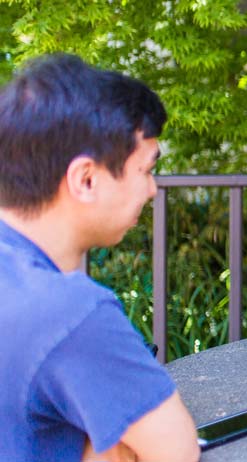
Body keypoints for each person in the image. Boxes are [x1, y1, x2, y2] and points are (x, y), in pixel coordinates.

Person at [0, 54, 200, 461]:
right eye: (145, 170)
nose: (152, 190)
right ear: (86, 179)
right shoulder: (70, 313)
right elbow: (175, 452)